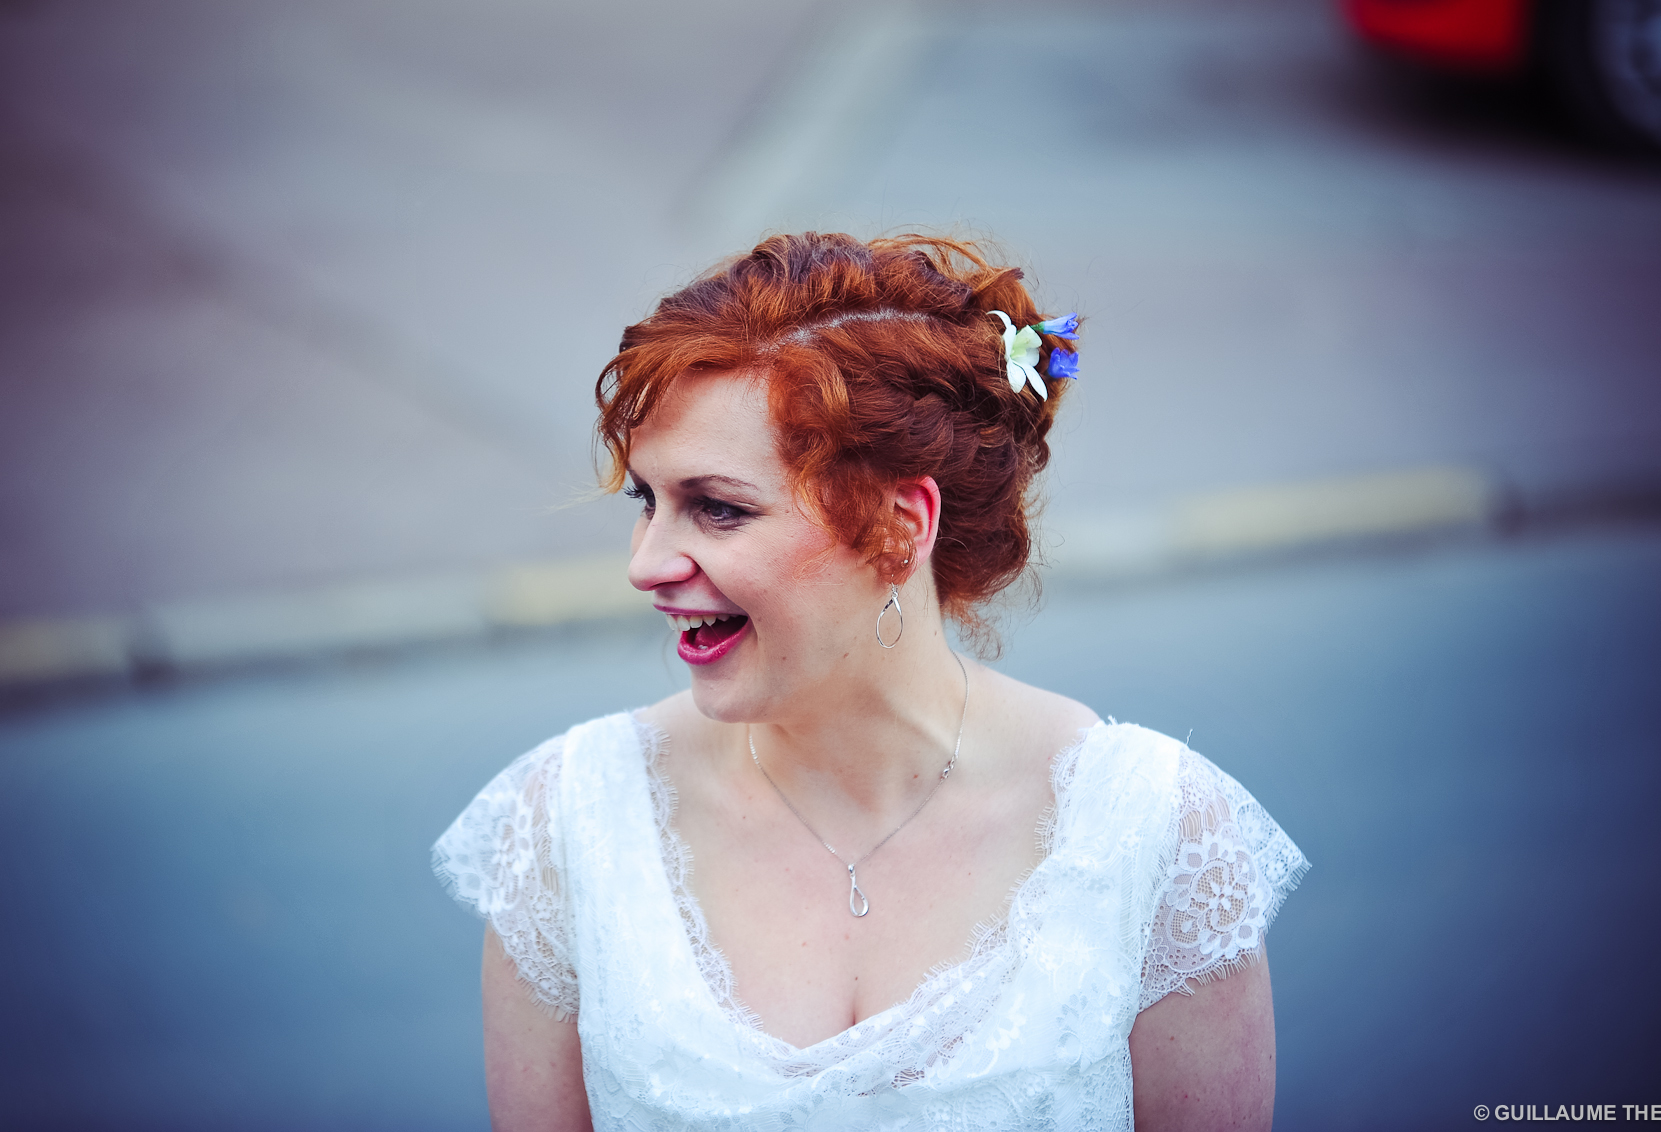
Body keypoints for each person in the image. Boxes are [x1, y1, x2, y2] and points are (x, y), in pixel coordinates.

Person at [433, 232, 1308, 1130]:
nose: (646, 565)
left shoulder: (1151, 835)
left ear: (898, 524)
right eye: (646, 502)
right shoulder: (573, 822)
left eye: (718, 509)